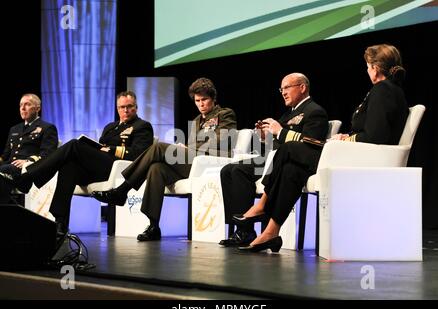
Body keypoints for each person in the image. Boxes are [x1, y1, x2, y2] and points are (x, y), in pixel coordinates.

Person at [237, 43, 409, 252]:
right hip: (360, 154)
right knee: (292, 170)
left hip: (365, 159)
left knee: (289, 148)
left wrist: (346, 141)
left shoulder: (383, 91)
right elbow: (375, 131)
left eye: (367, 66)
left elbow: (376, 136)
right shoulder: (387, 90)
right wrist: (348, 136)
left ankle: (263, 204)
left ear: (375, 67)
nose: (366, 70)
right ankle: (271, 232)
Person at [92, 77, 237, 241]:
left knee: (159, 147)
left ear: (213, 98)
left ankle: (122, 190)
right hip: (192, 162)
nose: (201, 104)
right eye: (197, 100)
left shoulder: (225, 114)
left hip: (210, 162)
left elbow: (224, 140)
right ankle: (153, 225)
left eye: (204, 99)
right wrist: (186, 148)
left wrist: (191, 148)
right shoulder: (196, 121)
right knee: (157, 168)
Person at [0, 91, 154, 235]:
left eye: (129, 107)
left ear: (136, 107)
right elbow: (100, 148)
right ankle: (60, 223)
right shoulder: (110, 127)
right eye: (122, 107)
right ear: (117, 108)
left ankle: (29, 177)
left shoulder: (142, 126)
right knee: (69, 166)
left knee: (74, 145)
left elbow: (140, 154)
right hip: (99, 167)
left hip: (120, 169)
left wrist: (112, 149)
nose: (125, 110)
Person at [219, 73, 328, 247]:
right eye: (281, 89)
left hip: (286, 161)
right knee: (229, 170)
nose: (283, 92)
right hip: (272, 159)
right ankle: (242, 231)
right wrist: (264, 137)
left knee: (239, 171)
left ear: (302, 87)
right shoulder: (287, 114)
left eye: (287, 87)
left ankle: (255, 216)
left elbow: (311, 143)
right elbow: (275, 144)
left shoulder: (315, 111)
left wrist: (280, 131)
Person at [0, 94, 58, 203]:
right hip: (9, 168)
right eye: (21, 105)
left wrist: (27, 161)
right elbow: (5, 155)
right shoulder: (14, 129)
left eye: (27, 104)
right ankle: (11, 205)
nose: (22, 108)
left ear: (37, 108)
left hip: (27, 172)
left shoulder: (47, 128)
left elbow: (49, 154)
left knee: (2, 171)